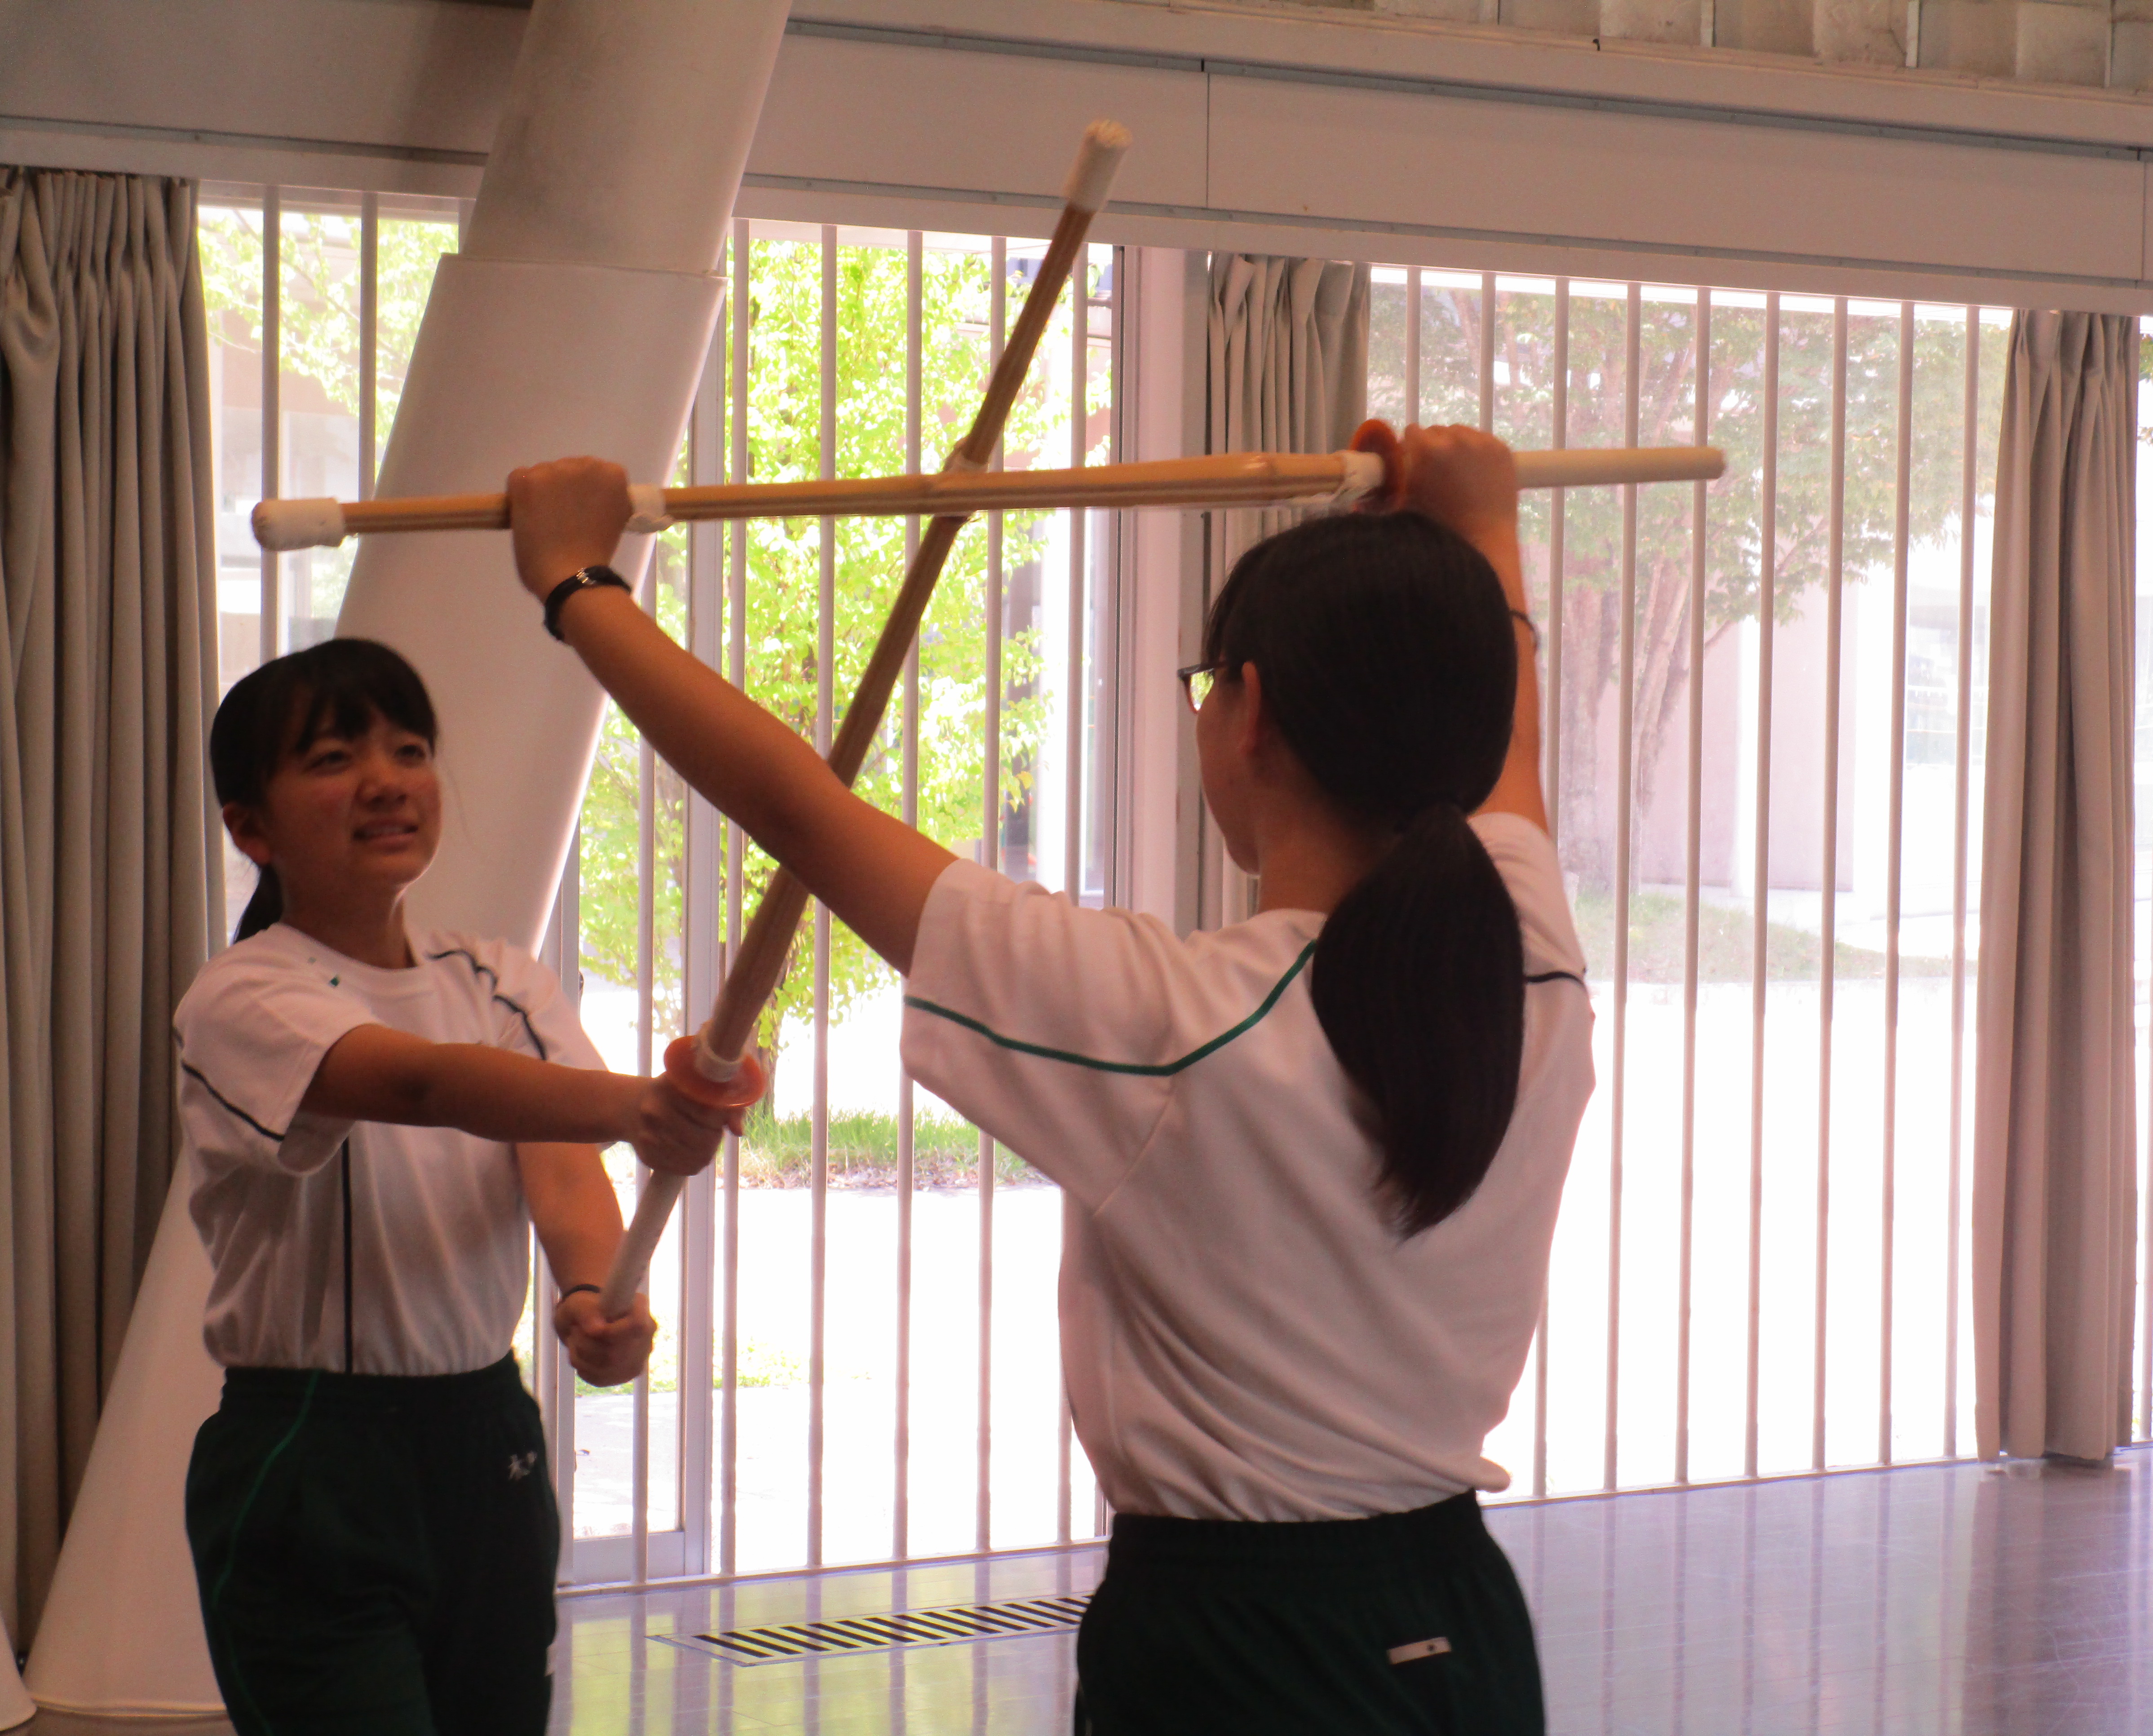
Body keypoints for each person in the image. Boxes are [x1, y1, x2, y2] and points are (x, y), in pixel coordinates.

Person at [504, 422, 1592, 1735]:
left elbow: (800, 812)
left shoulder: (1173, 1027)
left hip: (1244, 1649)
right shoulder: (1533, 965)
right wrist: (1484, 526)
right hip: (1462, 1618)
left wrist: (577, 584)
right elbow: (1510, 756)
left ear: (1249, 711)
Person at [176, 638, 735, 1736]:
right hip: (311, 1451)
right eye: (334, 759)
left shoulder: (498, 978)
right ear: (251, 828)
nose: (386, 782)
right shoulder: (240, 995)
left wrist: (594, 1292)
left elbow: (556, 1161)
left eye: (409, 750)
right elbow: (423, 1084)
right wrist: (640, 1105)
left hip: (487, 1437)